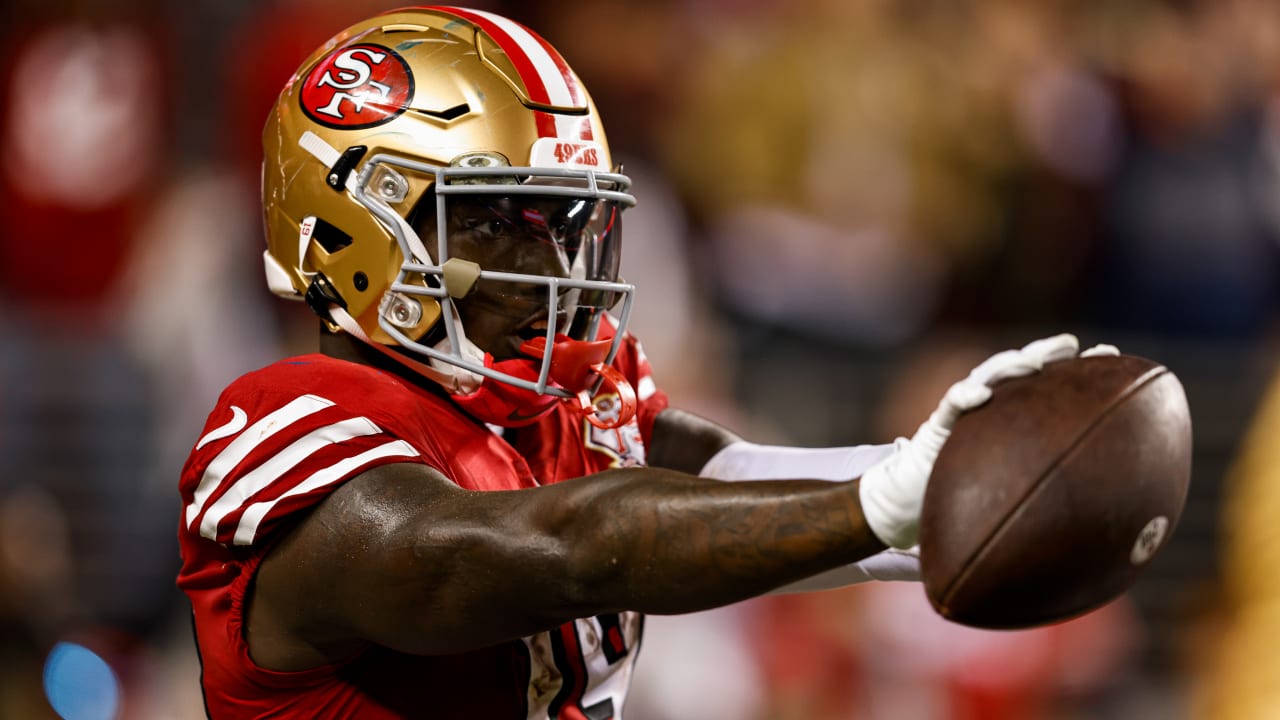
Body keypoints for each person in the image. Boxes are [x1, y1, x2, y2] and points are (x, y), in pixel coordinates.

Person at [176, 7, 1113, 718]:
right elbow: (561, 550)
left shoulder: (540, 402)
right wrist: (877, 506)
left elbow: (717, 481)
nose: (555, 268)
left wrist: (943, 487)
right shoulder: (291, 423)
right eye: (503, 223)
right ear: (354, 230)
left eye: (565, 223)